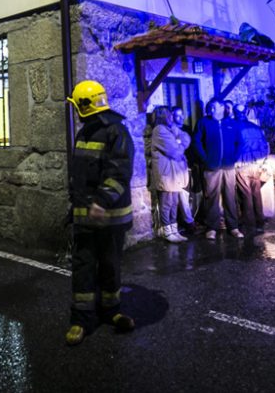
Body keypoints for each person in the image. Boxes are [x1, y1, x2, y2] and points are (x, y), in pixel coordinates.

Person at [64, 80, 135, 346]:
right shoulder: (86, 131)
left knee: (109, 266)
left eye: (76, 106)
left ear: (84, 106)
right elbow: (81, 176)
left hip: (109, 218)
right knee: (83, 267)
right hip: (85, 218)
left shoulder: (116, 132)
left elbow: (119, 173)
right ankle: (81, 320)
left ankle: (112, 312)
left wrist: (102, 201)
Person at [192, 98, 242, 240]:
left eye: (214, 107)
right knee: (211, 197)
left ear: (222, 108)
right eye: (210, 107)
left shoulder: (232, 124)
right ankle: (211, 228)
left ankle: (233, 227)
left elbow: (240, 143)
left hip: (228, 167)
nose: (211, 110)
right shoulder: (204, 123)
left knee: (230, 197)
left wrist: (234, 158)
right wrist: (205, 160)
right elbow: (196, 142)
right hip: (211, 167)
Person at [149, 106, 191, 243]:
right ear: (164, 116)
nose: (172, 117)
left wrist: (179, 141)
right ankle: (167, 231)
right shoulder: (160, 130)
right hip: (166, 173)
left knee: (174, 202)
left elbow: (186, 137)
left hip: (175, 172)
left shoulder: (170, 128)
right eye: (169, 115)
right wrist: (178, 142)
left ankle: (174, 230)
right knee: (167, 203)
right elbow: (175, 151)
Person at [234, 103, 270, 235]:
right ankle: (260, 220)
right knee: (256, 193)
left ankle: (249, 223)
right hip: (257, 165)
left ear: (235, 112)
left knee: (246, 195)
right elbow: (265, 146)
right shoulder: (256, 127)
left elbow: (235, 146)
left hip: (242, 165)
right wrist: (262, 163)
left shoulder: (235, 127)